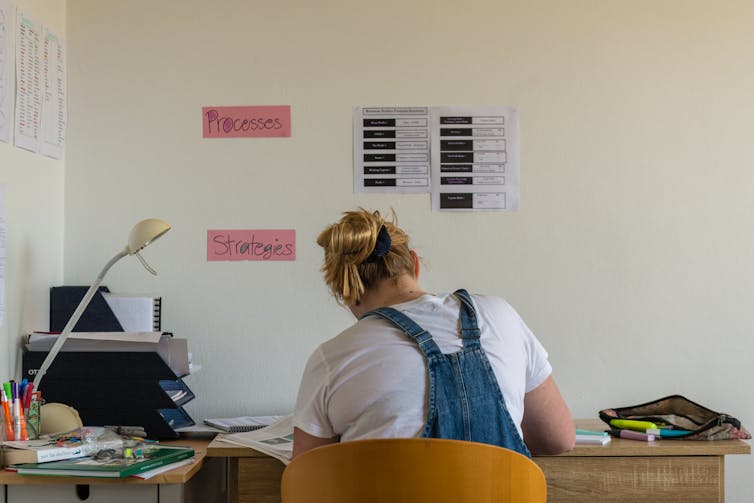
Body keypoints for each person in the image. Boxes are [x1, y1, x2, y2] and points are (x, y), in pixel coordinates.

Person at [293, 208, 574, 458]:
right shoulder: (500, 314)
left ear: (348, 293)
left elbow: (307, 481)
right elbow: (558, 439)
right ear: (414, 263)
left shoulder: (332, 357)